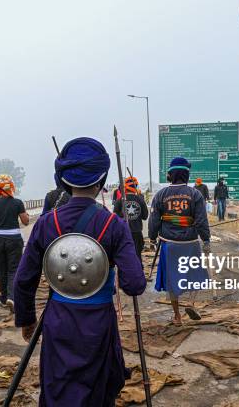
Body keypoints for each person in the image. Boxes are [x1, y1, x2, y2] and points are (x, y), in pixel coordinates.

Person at [14, 137, 146, 406]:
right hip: (98, 324)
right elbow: (135, 284)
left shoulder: (45, 223)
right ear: (101, 180)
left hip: (59, 320)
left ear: (64, 179)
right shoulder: (115, 225)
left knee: (58, 389)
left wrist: (27, 319)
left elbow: (24, 279)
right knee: (97, 392)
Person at [149, 157, 211, 325]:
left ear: (170, 175)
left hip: (169, 244)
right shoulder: (195, 194)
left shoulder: (160, 195)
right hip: (190, 244)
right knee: (195, 274)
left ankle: (177, 316)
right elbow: (201, 221)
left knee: (172, 280)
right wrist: (206, 240)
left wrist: (152, 238)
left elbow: (154, 220)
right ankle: (191, 303)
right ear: (186, 175)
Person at [0, 174, 29, 309]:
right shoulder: (18, 202)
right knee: (13, 269)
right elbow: (25, 222)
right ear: (11, 187)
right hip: (14, 239)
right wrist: (25, 214)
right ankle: (12, 297)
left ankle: (3, 299)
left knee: (1, 269)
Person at [113, 176, 149, 265]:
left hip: (123, 232)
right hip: (137, 232)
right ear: (135, 186)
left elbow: (114, 216)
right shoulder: (140, 199)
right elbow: (145, 216)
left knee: (124, 257)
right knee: (137, 256)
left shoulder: (120, 200)